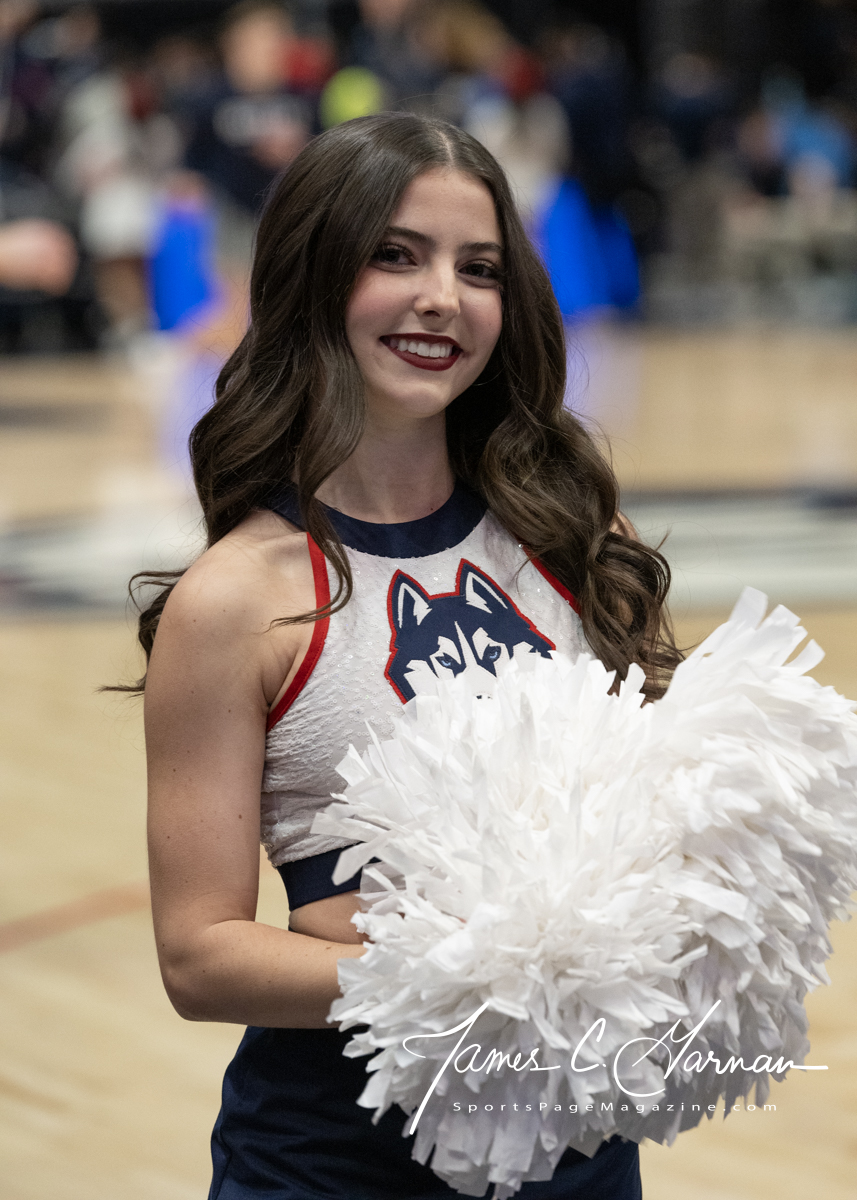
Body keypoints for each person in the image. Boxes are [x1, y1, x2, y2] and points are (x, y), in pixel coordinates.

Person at [138, 112, 678, 1198]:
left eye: (478, 268)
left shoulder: (573, 536)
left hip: (578, 1143)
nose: (442, 297)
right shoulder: (236, 600)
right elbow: (199, 956)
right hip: (337, 1159)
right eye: (396, 255)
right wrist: (463, 980)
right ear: (313, 275)